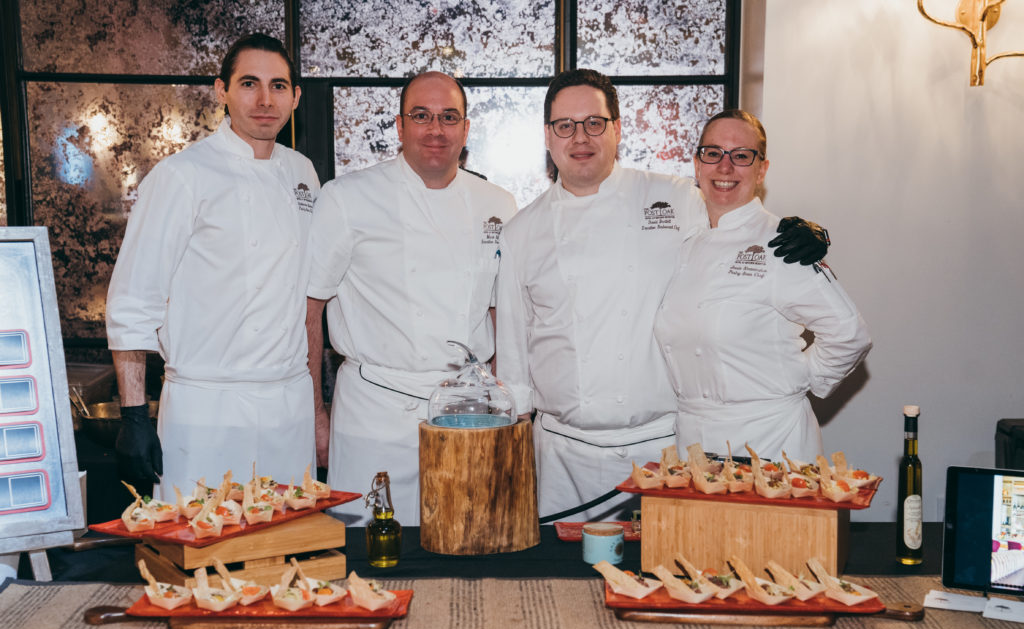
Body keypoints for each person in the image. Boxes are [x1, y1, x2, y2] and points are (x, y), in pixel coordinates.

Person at [495, 69, 829, 522]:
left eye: (594, 122)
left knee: (661, 579)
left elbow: (739, 221)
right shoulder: (520, 232)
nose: (581, 137)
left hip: (662, 448)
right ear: (548, 136)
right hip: (561, 454)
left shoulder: (675, 198)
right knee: (559, 586)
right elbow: (513, 355)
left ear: (616, 128)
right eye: (565, 125)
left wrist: (806, 234)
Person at [106, 33, 319, 500]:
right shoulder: (182, 176)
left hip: (289, 402)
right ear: (221, 90)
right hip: (206, 408)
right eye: (249, 84)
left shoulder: (303, 172)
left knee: (288, 553)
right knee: (200, 551)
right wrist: (134, 416)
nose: (265, 100)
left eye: (279, 86)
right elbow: (133, 300)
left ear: (296, 96)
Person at [305, 71, 517, 524]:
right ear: (399, 127)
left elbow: (506, 314)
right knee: (369, 557)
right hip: (375, 415)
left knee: (466, 547)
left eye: (448, 117)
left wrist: (506, 406)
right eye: (421, 116)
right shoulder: (346, 198)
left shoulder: (497, 203)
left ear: (466, 128)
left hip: (468, 416)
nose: (435, 130)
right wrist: (315, 415)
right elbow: (309, 310)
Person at [654, 109, 871, 461]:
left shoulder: (780, 242)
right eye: (713, 154)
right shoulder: (685, 240)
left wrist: (799, 379)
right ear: (697, 165)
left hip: (771, 439)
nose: (725, 168)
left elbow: (849, 333)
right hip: (694, 439)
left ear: (762, 170)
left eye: (741, 156)